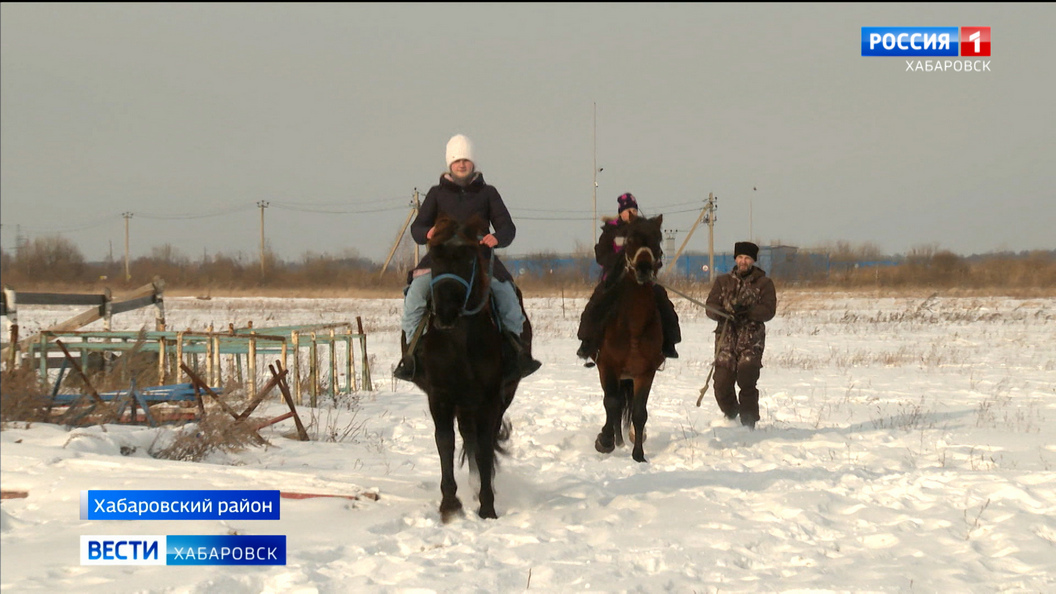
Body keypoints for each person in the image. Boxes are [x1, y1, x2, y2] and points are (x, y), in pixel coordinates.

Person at [393, 133, 542, 382]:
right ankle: (411, 356)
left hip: (480, 261)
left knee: (507, 298)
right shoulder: (436, 194)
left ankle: (517, 354)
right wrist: (427, 233)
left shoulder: (488, 193)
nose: (462, 164)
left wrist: (497, 238)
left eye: (466, 160)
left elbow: (508, 227)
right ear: (449, 164)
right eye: (457, 160)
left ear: (473, 163)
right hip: (441, 262)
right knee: (416, 295)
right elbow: (417, 229)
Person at [575, 192, 682, 362]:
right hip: (614, 279)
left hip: (644, 277)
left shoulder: (645, 230)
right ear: (620, 212)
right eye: (627, 210)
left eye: (634, 209)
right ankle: (587, 341)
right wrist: (619, 262)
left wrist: (652, 266)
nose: (631, 212)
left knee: (662, 299)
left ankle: (669, 341)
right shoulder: (610, 231)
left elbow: (655, 253)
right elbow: (601, 255)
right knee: (597, 301)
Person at [704, 241, 777, 429]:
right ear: (735, 259)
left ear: (753, 260)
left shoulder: (764, 283)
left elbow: (769, 310)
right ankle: (731, 414)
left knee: (747, 379)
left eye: (747, 258)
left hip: (751, 341)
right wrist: (723, 312)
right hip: (725, 341)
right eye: (740, 257)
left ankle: (748, 423)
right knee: (720, 384)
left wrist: (748, 312)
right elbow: (710, 307)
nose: (743, 261)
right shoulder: (722, 281)